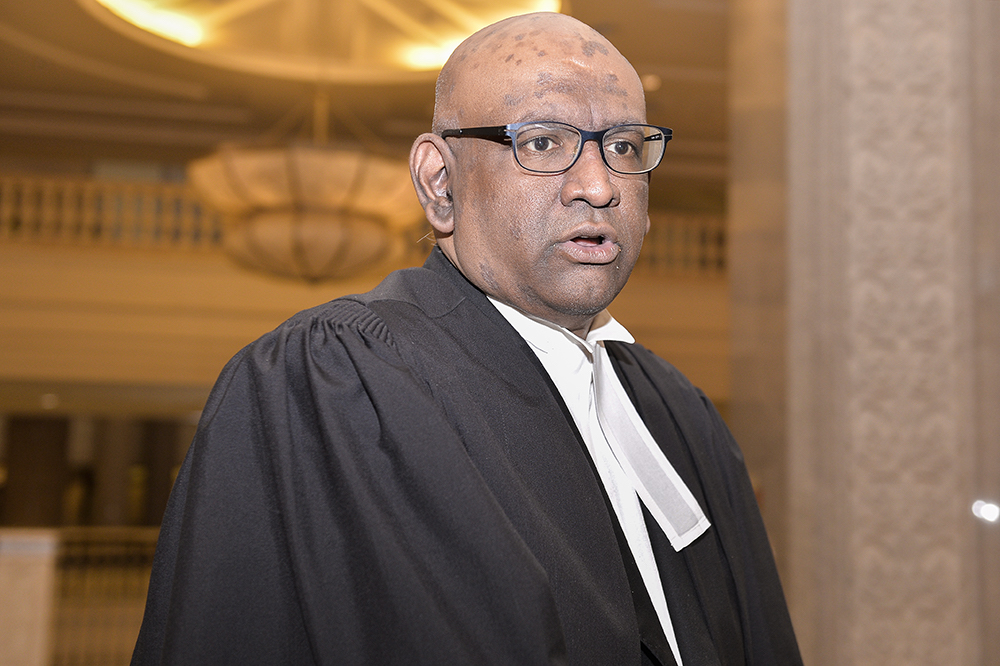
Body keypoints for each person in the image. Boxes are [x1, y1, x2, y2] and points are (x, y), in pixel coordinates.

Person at [132, 12, 801, 666]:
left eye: (624, 146)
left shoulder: (678, 411)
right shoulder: (332, 382)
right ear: (439, 182)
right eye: (542, 142)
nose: (600, 186)